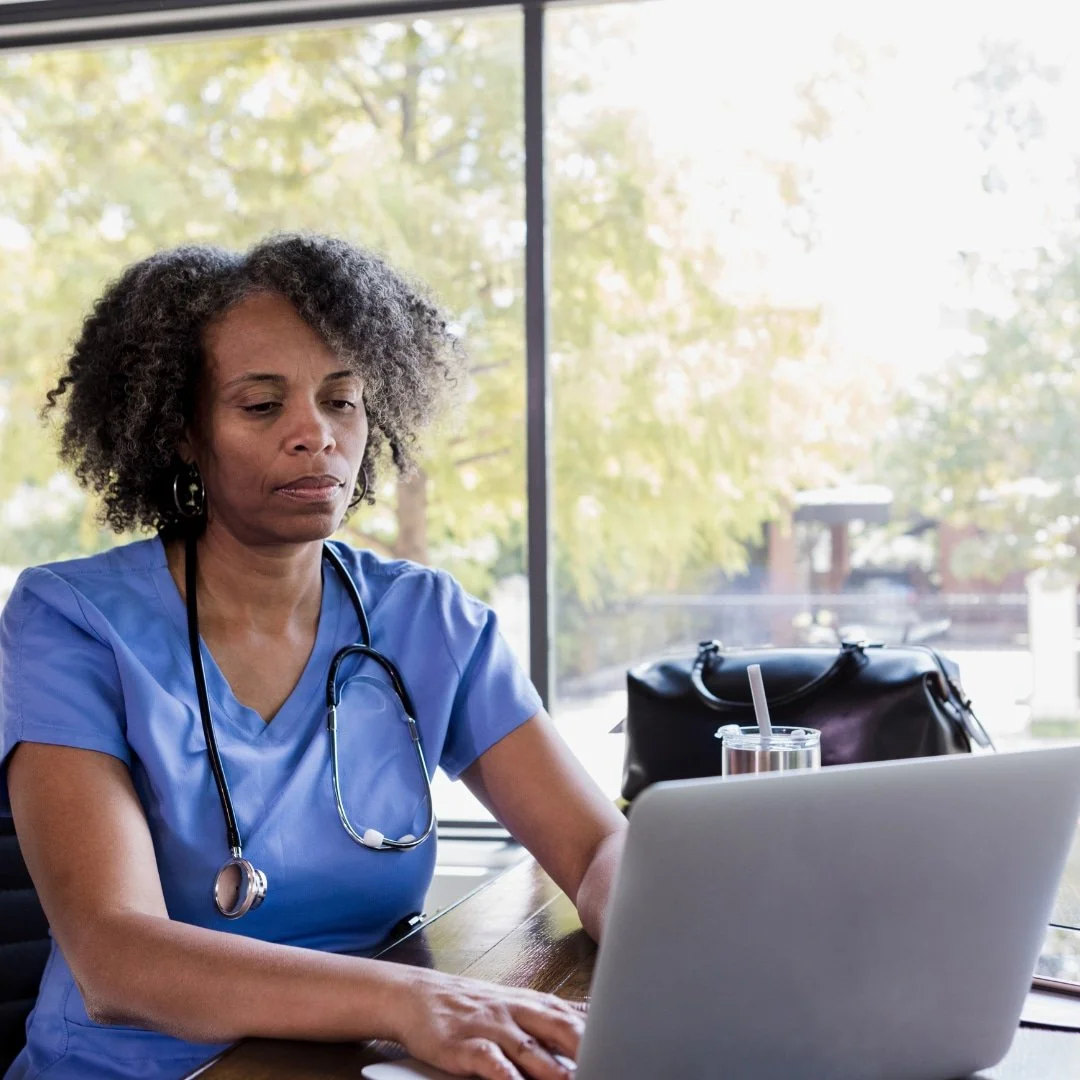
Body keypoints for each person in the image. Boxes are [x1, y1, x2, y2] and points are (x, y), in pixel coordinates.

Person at [0, 234, 626, 1080]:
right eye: (262, 407)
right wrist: (410, 1003)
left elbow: (593, 850)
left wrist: (646, 921)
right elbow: (117, 957)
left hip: (346, 1064)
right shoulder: (69, 620)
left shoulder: (426, 619)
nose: (316, 434)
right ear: (182, 433)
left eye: (343, 400)